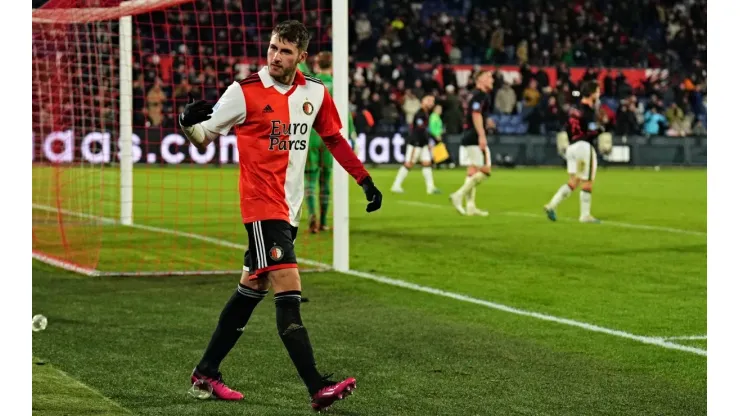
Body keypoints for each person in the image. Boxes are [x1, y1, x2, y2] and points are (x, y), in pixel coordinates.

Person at [178, 20, 382, 412]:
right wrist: (187, 123)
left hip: (289, 211)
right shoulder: (244, 92)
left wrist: (365, 179)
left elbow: (335, 139)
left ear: (301, 56)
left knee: (249, 292)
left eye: (285, 51)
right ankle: (317, 387)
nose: (275, 56)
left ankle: (205, 373)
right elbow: (203, 137)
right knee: (288, 289)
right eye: (272, 47)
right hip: (260, 208)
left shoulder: (315, 93)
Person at [302, 51, 357, 233]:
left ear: (317, 65)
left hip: (310, 136)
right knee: (325, 180)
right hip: (329, 138)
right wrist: (352, 135)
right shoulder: (338, 86)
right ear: (332, 67)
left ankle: (312, 215)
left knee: (310, 179)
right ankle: (324, 221)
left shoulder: (309, 83)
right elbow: (345, 113)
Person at [543, 80, 604, 223]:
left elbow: (567, 128)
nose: (599, 94)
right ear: (592, 93)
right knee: (587, 181)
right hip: (583, 147)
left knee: (573, 181)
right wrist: (601, 130)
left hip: (571, 148)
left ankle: (552, 205)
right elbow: (589, 132)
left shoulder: (574, 110)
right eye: (598, 91)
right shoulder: (588, 111)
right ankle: (585, 215)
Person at [449, 70, 495, 216]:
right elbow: (475, 114)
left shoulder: (475, 95)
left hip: (469, 135)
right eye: (488, 77)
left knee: (472, 171)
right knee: (486, 170)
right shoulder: (480, 95)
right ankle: (458, 195)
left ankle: (470, 206)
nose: (491, 79)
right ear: (479, 80)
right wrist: (482, 135)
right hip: (474, 136)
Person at [390, 94, 440, 194]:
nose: (432, 103)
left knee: (427, 163)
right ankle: (396, 185)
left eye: (432, 101)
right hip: (415, 144)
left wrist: (427, 142)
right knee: (408, 164)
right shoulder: (420, 114)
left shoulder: (426, 113)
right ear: (423, 101)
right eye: (429, 100)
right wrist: (430, 140)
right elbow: (419, 130)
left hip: (423, 144)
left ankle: (430, 188)